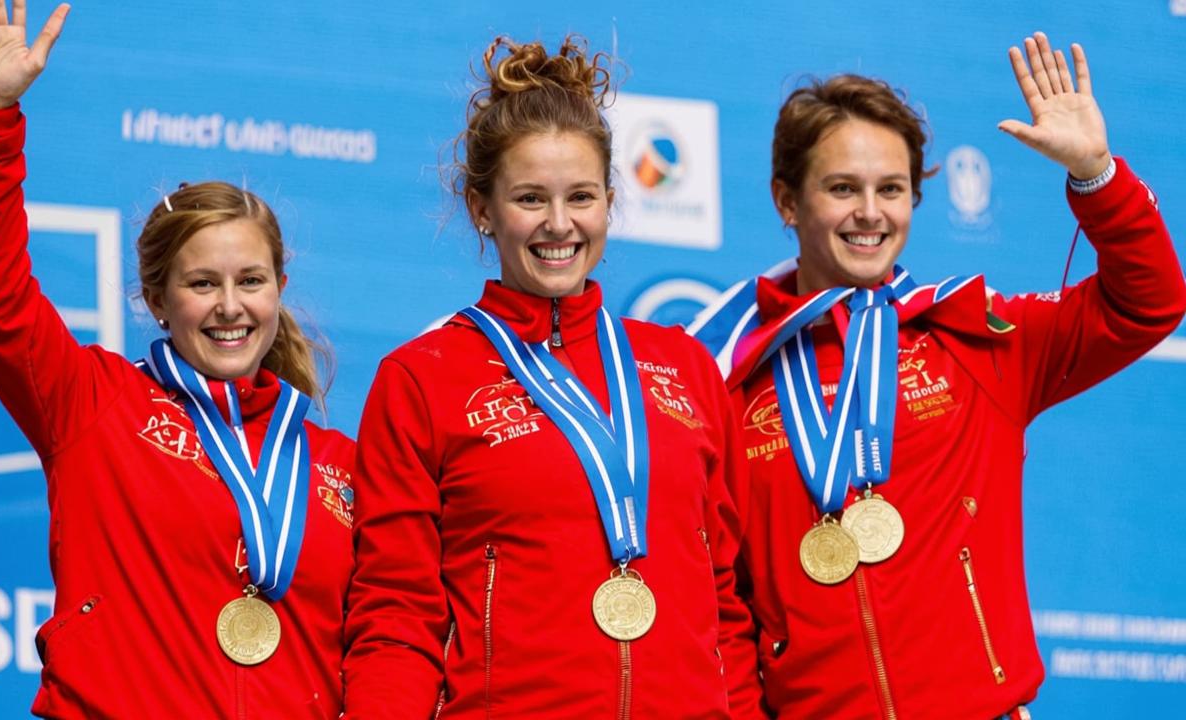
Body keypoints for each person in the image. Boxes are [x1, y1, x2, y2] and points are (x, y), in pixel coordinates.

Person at [688, 33, 1186, 719]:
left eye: (891, 189)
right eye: (842, 188)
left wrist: (1097, 177)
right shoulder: (725, 373)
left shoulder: (975, 339)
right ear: (786, 201)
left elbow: (1147, 302)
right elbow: (723, 606)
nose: (871, 213)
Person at [0, 2, 356, 716]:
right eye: (202, 284)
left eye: (250, 282)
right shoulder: (94, 404)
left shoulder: (341, 468)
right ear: (157, 301)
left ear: (279, 290)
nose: (230, 306)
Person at [344, 35, 760, 718]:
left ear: (609, 201)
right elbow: (397, 615)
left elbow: (726, 605)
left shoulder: (683, 366)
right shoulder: (423, 378)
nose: (559, 225)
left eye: (582, 197)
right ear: (483, 209)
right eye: (531, 199)